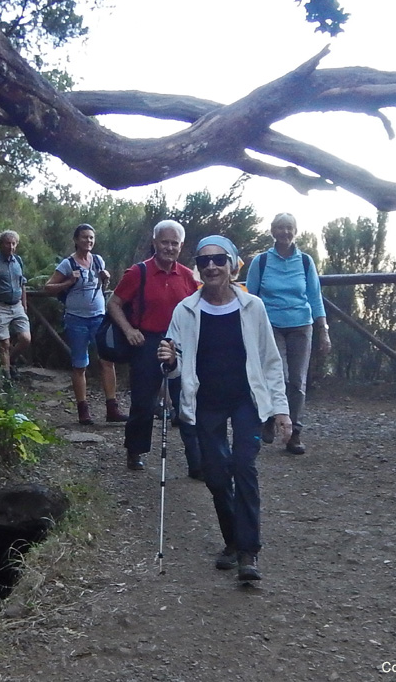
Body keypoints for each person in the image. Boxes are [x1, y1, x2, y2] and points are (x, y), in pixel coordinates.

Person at [157, 235, 292, 582]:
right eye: (204, 261)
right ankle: (232, 541)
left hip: (247, 399)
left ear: (233, 264)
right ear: (198, 268)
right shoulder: (186, 310)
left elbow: (270, 361)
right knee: (216, 474)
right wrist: (169, 360)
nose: (212, 266)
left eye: (219, 259)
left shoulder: (253, 307)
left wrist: (281, 409)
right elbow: (173, 364)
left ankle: (249, 552)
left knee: (244, 466)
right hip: (206, 402)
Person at [107, 220, 201, 473]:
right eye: (164, 242)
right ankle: (135, 451)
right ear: (154, 243)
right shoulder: (138, 272)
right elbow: (114, 303)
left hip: (180, 342)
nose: (169, 247)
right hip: (147, 341)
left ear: (181, 246)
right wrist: (129, 330)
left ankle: (197, 461)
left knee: (187, 398)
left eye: (174, 243)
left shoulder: (188, 276)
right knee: (143, 401)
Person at [246, 212, 331, 455]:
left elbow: (315, 297)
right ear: (272, 231)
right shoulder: (261, 262)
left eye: (289, 228)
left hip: (301, 324)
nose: (285, 232)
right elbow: (251, 298)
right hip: (270, 324)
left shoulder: (305, 262)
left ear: (296, 231)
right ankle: (272, 419)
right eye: (280, 228)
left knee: (297, 381)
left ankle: (295, 433)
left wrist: (323, 330)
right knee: (277, 376)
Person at [44, 224, 128, 425]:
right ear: (76, 240)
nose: (88, 241)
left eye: (91, 238)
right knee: (80, 364)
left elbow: (100, 288)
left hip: (99, 318)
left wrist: (105, 280)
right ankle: (83, 410)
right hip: (76, 319)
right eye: (84, 237)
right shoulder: (67, 264)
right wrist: (67, 283)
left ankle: (112, 408)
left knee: (107, 361)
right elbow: (47, 288)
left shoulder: (98, 260)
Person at [0, 230, 32, 384]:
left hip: (17, 306)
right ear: (1, 244)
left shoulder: (18, 261)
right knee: (4, 343)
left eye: (13, 243)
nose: (11, 246)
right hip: (0, 306)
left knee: (25, 339)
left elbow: (22, 284)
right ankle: (7, 379)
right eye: (7, 243)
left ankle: (10, 361)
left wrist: (24, 304)